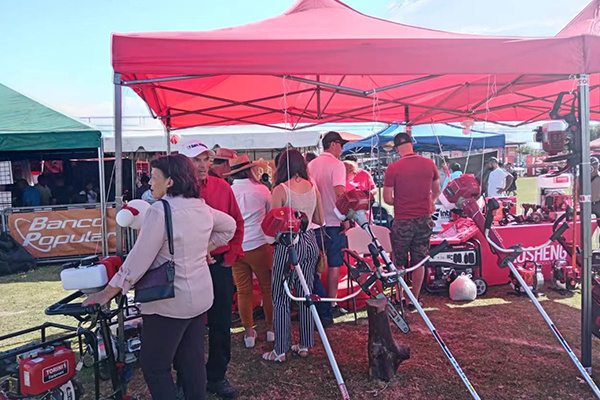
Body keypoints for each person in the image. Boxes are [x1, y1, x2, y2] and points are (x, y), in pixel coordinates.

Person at [84, 154, 236, 400]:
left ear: (170, 181)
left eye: (154, 177)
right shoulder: (200, 206)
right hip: (199, 296)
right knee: (192, 361)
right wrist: (205, 249)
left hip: (169, 300)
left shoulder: (160, 210)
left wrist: (107, 292)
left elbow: (138, 259)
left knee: (155, 365)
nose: (149, 182)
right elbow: (229, 226)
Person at [180, 140, 244, 399]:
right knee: (186, 323)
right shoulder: (175, 191)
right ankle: (186, 378)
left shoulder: (222, 187)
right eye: (196, 160)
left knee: (220, 321)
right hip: (187, 264)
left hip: (218, 264)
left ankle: (216, 375)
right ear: (184, 162)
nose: (203, 165)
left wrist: (231, 256)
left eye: (206, 159)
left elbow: (237, 223)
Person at [263, 149, 324, 362]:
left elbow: (273, 224)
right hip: (310, 241)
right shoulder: (312, 187)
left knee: (280, 294)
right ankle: (305, 343)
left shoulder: (281, 189)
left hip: (288, 243)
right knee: (306, 292)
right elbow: (320, 219)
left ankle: (281, 348)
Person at [383, 132, 440, 311]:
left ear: (397, 149)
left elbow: (387, 198)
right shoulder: (429, 164)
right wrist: (430, 201)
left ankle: (399, 295)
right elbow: (437, 190)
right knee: (419, 261)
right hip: (424, 218)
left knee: (398, 261)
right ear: (411, 145)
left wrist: (401, 202)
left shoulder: (393, 168)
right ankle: (413, 298)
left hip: (403, 219)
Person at [225, 155, 274, 348]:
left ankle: (248, 333)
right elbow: (270, 214)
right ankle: (271, 329)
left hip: (238, 246)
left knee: (243, 291)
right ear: (250, 170)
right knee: (267, 289)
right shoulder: (262, 189)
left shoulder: (229, 191)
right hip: (260, 243)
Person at [308, 131, 349, 317]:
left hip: (314, 222)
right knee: (334, 264)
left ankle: (317, 304)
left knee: (315, 265)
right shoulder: (337, 165)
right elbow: (340, 193)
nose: (342, 148)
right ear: (333, 144)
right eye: (341, 145)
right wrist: (345, 218)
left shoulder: (311, 164)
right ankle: (331, 303)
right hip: (332, 221)